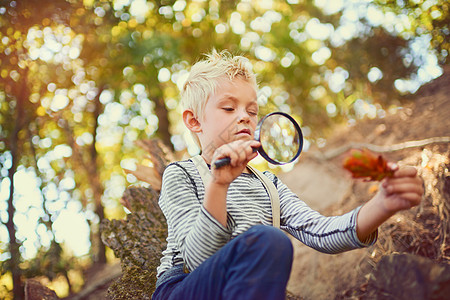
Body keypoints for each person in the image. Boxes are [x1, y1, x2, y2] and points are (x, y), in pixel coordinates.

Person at [151, 50, 423, 300]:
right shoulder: (180, 174)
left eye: (253, 110)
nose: (245, 117)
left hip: (242, 289)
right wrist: (219, 184)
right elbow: (199, 259)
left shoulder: (269, 185)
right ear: (194, 121)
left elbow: (323, 233)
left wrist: (383, 204)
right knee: (270, 240)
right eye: (229, 108)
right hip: (185, 287)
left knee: (269, 243)